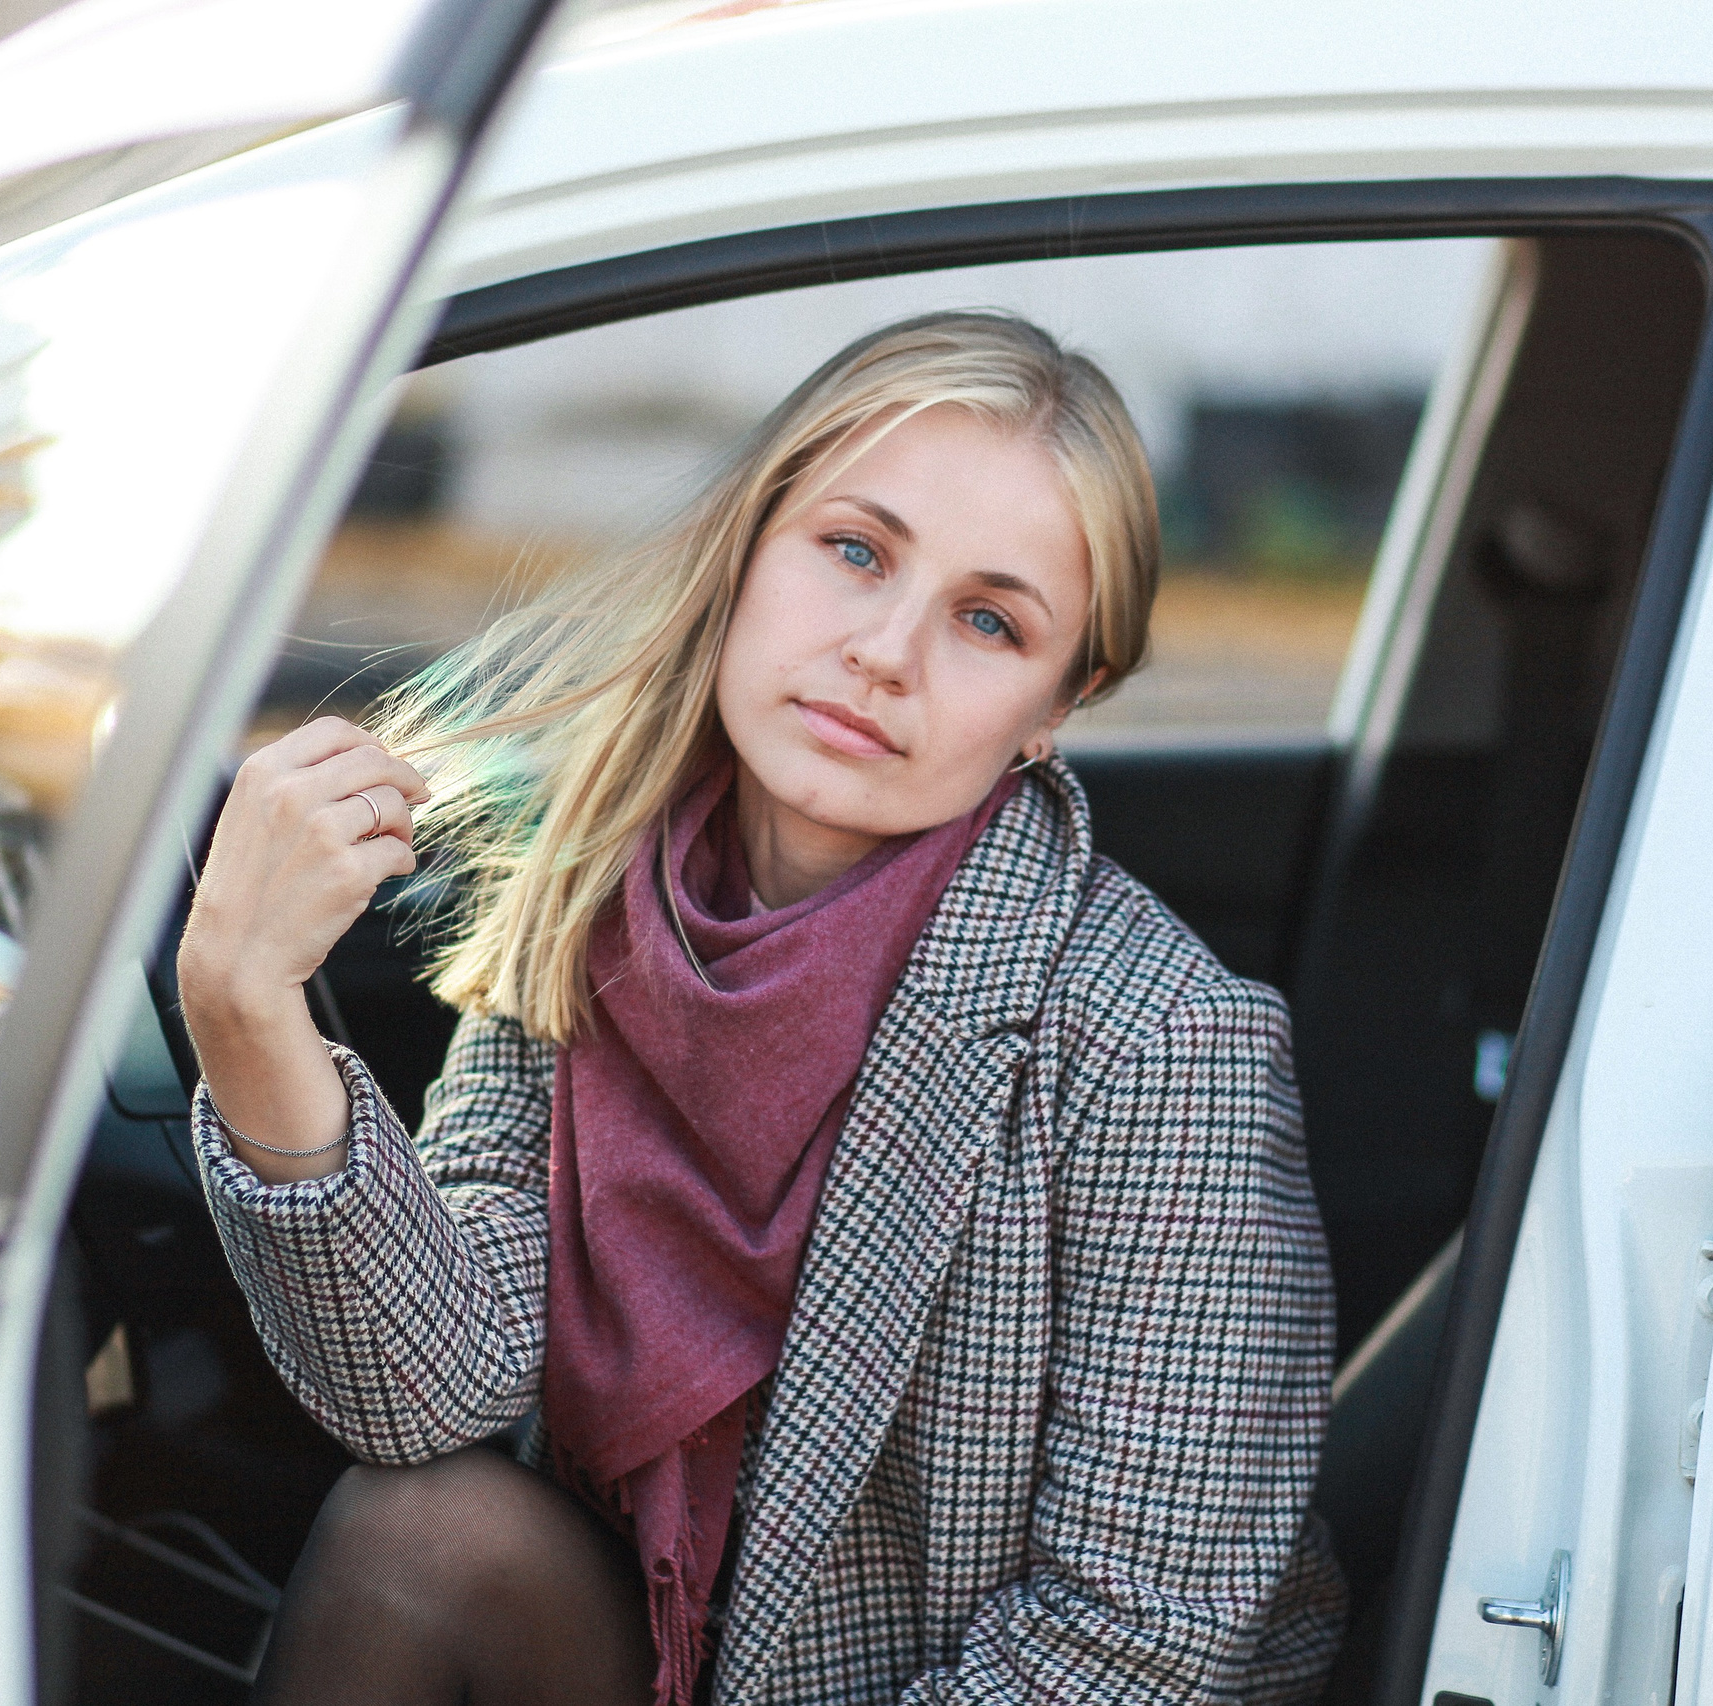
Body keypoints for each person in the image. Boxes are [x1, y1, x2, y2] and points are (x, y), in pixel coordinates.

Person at [176, 312, 1347, 1705]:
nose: (887, 651)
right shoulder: (596, 881)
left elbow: (1134, 1635)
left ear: (1058, 700)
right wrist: (249, 1015)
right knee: (415, 1534)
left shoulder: (1158, 1041)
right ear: (750, 545)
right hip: (682, 1656)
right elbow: (426, 1391)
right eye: (855, 550)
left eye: (989, 619)